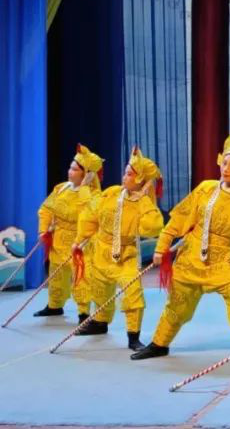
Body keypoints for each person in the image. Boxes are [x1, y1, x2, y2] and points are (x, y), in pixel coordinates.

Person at [131, 135, 230, 376]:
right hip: (190, 258)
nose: (226, 169)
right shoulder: (206, 189)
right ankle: (159, 344)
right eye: (225, 163)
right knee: (176, 306)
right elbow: (178, 220)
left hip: (222, 262)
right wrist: (161, 247)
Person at [73, 146, 164, 350]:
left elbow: (152, 228)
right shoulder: (113, 192)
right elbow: (92, 214)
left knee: (133, 293)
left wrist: (146, 199)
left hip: (126, 254)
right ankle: (99, 322)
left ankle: (133, 336)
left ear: (141, 180)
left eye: (130, 174)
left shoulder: (143, 204)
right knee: (99, 289)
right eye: (125, 172)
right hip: (101, 249)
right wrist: (80, 240)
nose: (124, 177)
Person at [32, 144, 103, 322]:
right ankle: (55, 305)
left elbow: (89, 213)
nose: (69, 172)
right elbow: (46, 209)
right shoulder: (61, 188)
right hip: (59, 239)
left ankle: (84, 312)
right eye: (70, 168)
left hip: (80, 243)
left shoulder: (94, 195)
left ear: (86, 174)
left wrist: (85, 187)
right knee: (57, 274)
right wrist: (43, 230)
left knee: (81, 276)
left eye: (75, 169)